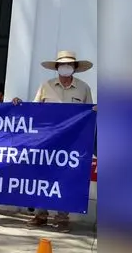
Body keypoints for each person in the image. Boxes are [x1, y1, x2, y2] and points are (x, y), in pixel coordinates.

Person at [12, 50, 95, 232]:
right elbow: (34, 110)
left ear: (74, 68)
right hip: (47, 141)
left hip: (71, 143)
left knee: (65, 177)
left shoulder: (84, 88)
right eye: (62, 64)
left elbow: (89, 114)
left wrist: (95, 111)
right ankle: (41, 215)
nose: (66, 67)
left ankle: (62, 218)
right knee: (44, 176)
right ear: (57, 68)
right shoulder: (46, 86)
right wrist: (19, 105)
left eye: (69, 65)